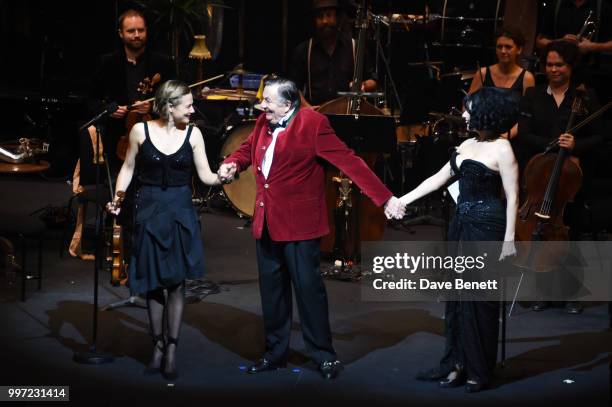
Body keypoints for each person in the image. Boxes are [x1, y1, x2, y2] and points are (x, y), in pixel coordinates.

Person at [217, 77, 403, 380]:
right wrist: (233, 164)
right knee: (273, 293)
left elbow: (349, 162)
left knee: (308, 292)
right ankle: (274, 353)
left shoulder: (313, 124)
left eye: (268, 101)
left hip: (300, 225)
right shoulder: (265, 121)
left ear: (288, 104)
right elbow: (248, 149)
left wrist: (384, 198)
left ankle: (323, 355)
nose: (261, 106)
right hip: (266, 221)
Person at [397, 87, 520, 392]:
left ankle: (479, 370)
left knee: (480, 302)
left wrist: (509, 239)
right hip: (461, 225)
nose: (463, 114)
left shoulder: (503, 148)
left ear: (485, 112)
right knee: (457, 300)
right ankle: (457, 364)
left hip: (487, 228)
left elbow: (514, 195)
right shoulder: (466, 144)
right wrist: (401, 200)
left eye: (468, 108)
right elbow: (437, 179)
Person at [106, 80, 222, 380]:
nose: (194, 110)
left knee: (176, 283)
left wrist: (228, 176)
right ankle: (156, 344)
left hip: (180, 212)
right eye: (188, 105)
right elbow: (128, 168)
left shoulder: (194, 135)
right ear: (169, 107)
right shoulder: (140, 131)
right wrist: (118, 198)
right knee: (154, 283)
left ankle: (172, 347)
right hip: (149, 209)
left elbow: (207, 176)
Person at [516, 40, 606, 314]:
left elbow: (601, 136)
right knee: (540, 234)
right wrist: (553, 143)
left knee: (571, 231)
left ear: (570, 67)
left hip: (570, 180)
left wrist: (575, 145)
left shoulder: (585, 98)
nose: (553, 69)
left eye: (560, 65)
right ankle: (543, 291)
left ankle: (571, 293)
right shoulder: (533, 95)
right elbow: (524, 132)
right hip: (539, 176)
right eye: (550, 65)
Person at [91, 8, 175, 171]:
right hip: (117, 135)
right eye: (131, 31)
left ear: (146, 31)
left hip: (155, 133)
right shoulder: (107, 63)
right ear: (121, 33)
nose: (137, 34)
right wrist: (109, 110)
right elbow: (91, 99)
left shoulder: (163, 63)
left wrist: (153, 107)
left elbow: (176, 100)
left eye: (141, 30)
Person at [288, 0, 377, 107]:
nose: (325, 21)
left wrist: (361, 85)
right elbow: (293, 87)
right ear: (315, 21)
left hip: (347, 115)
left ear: (338, 19)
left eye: (329, 15)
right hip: (316, 116)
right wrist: (308, 108)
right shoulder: (304, 50)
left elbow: (374, 80)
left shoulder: (355, 47)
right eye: (320, 16)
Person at [535, 0, 612, 100]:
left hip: (589, 77)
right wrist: (560, 42)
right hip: (557, 74)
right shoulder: (556, 5)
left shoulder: (602, 6)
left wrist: (592, 46)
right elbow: (539, 42)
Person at [468, 26, 535, 139]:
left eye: (508, 47)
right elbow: (468, 106)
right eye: (499, 47)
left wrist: (504, 137)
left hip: (512, 138)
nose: (503, 51)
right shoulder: (483, 73)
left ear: (519, 49)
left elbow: (527, 116)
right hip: (482, 135)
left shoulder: (527, 78)